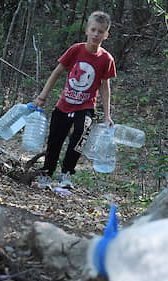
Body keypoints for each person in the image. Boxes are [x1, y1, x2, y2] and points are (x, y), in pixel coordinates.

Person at [33, 10, 116, 189]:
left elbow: (105, 86)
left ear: (106, 35)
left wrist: (107, 114)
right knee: (55, 140)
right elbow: (57, 73)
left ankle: (67, 175)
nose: (96, 34)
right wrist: (42, 97)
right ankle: (46, 174)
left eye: (100, 31)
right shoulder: (75, 50)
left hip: (85, 107)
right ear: (87, 30)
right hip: (64, 105)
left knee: (80, 135)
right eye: (93, 29)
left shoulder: (106, 59)